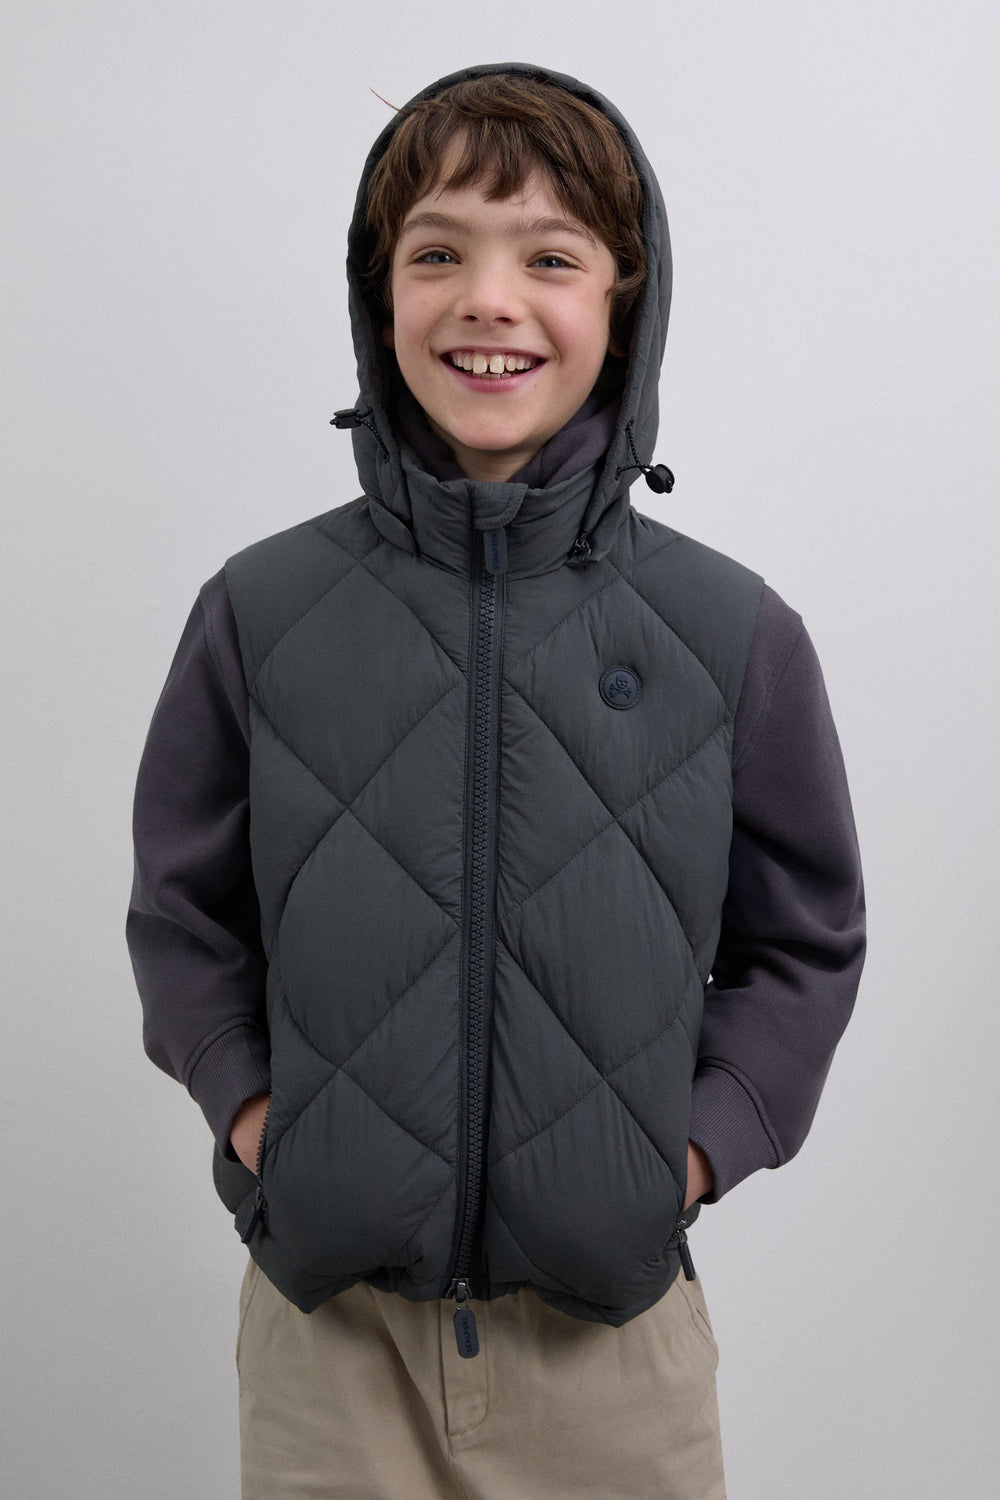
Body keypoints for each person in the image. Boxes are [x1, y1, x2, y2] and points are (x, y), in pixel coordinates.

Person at [128, 62, 866, 1500]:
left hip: (616, 1351)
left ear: (625, 304)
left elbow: (807, 942)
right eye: (437, 253)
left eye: (550, 258)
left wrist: (689, 1157)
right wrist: (258, 1119)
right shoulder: (260, 613)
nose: (488, 300)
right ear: (377, 294)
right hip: (328, 1347)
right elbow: (183, 914)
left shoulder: (731, 633)